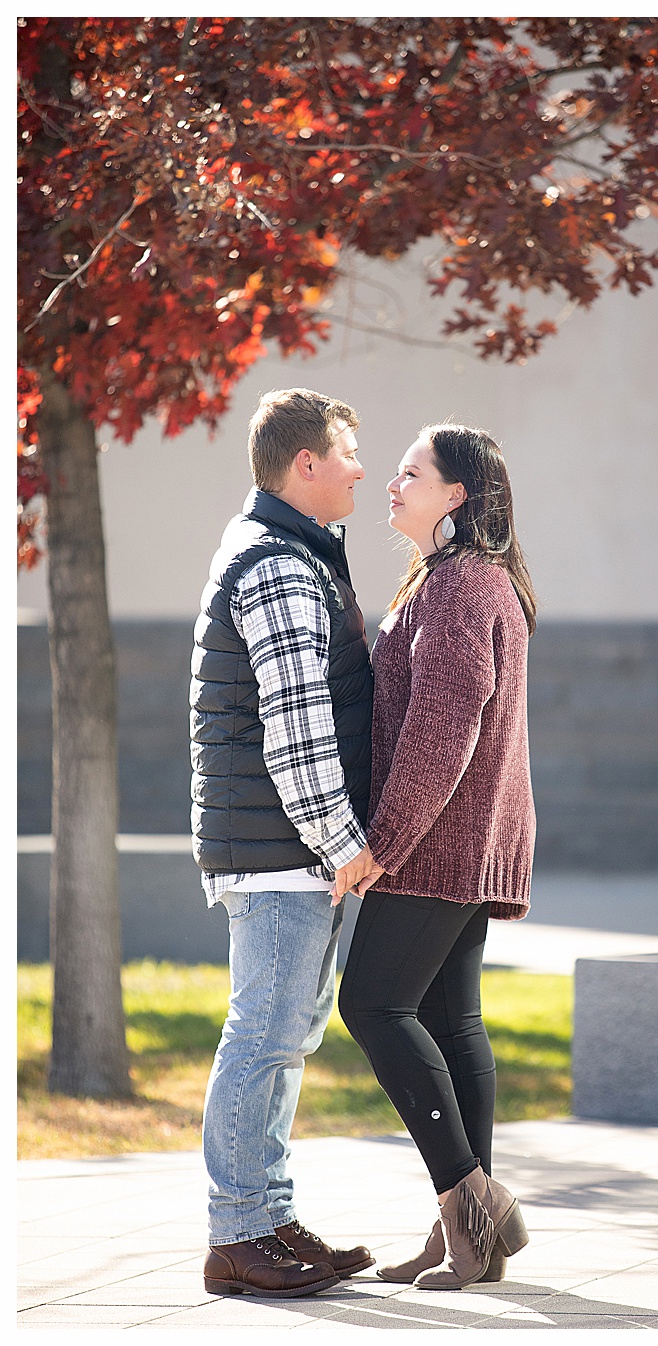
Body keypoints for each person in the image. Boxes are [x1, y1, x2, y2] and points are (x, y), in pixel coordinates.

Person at [333, 423, 537, 1290]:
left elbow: (440, 739)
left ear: (455, 494)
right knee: (452, 1024)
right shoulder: (460, 580)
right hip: (469, 838)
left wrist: (381, 846)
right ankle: (474, 1229)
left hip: (438, 842)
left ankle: (469, 1210)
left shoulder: (458, 590)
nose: (393, 480)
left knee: (374, 1004)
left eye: (412, 472)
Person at [192, 387, 385, 1297]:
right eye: (347, 451)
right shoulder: (274, 563)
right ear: (303, 465)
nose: (360, 468)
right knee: (263, 1035)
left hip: (285, 846)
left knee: (285, 1037)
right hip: (282, 850)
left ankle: (267, 1215)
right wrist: (342, 844)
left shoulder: (293, 552)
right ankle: (237, 1235)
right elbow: (296, 727)